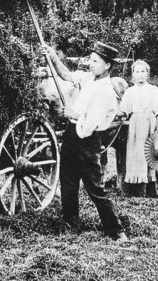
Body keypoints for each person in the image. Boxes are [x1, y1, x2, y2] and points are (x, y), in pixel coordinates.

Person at [43, 41, 128, 242]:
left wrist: (73, 113)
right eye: (91, 59)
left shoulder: (105, 90)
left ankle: (116, 230)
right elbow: (67, 75)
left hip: (88, 139)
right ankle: (71, 226)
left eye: (96, 61)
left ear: (107, 65)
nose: (91, 64)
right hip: (72, 135)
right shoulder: (88, 78)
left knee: (95, 188)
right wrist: (53, 56)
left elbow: (94, 122)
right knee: (68, 183)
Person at [116, 60, 158, 197]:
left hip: (150, 124)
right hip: (135, 127)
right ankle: (136, 190)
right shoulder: (129, 92)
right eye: (137, 72)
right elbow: (124, 111)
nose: (140, 75)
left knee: (151, 153)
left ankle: (154, 190)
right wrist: (110, 113)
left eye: (142, 71)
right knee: (136, 155)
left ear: (147, 74)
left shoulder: (153, 90)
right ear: (133, 75)